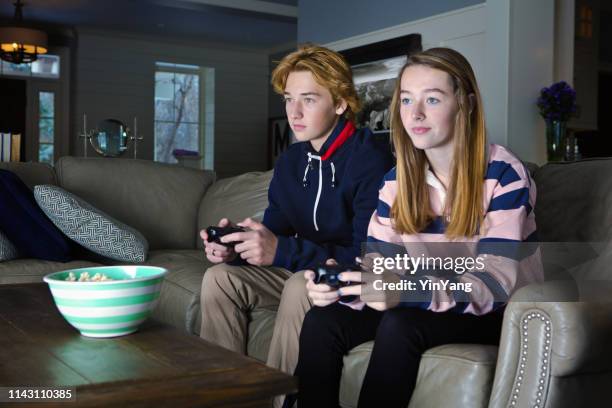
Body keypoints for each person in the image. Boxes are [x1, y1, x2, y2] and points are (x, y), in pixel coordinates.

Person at [295, 47, 542, 408]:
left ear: (466, 103)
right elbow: (380, 266)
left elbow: (494, 283)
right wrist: (345, 286)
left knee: (402, 324)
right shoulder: (396, 182)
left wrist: (406, 291)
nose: (416, 113)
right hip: (422, 299)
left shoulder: (504, 174)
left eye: (433, 99)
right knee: (323, 320)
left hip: (496, 311)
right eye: (407, 100)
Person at [198, 43, 394, 389]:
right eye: (289, 98)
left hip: (350, 279)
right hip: (305, 266)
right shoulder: (291, 162)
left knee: (296, 285)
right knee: (220, 278)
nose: (294, 112)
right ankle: (223, 395)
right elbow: (274, 231)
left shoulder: (370, 160)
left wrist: (285, 252)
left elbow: (369, 256)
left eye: (309, 99)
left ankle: (280, 399)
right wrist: (237, 248)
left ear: (339, 103)